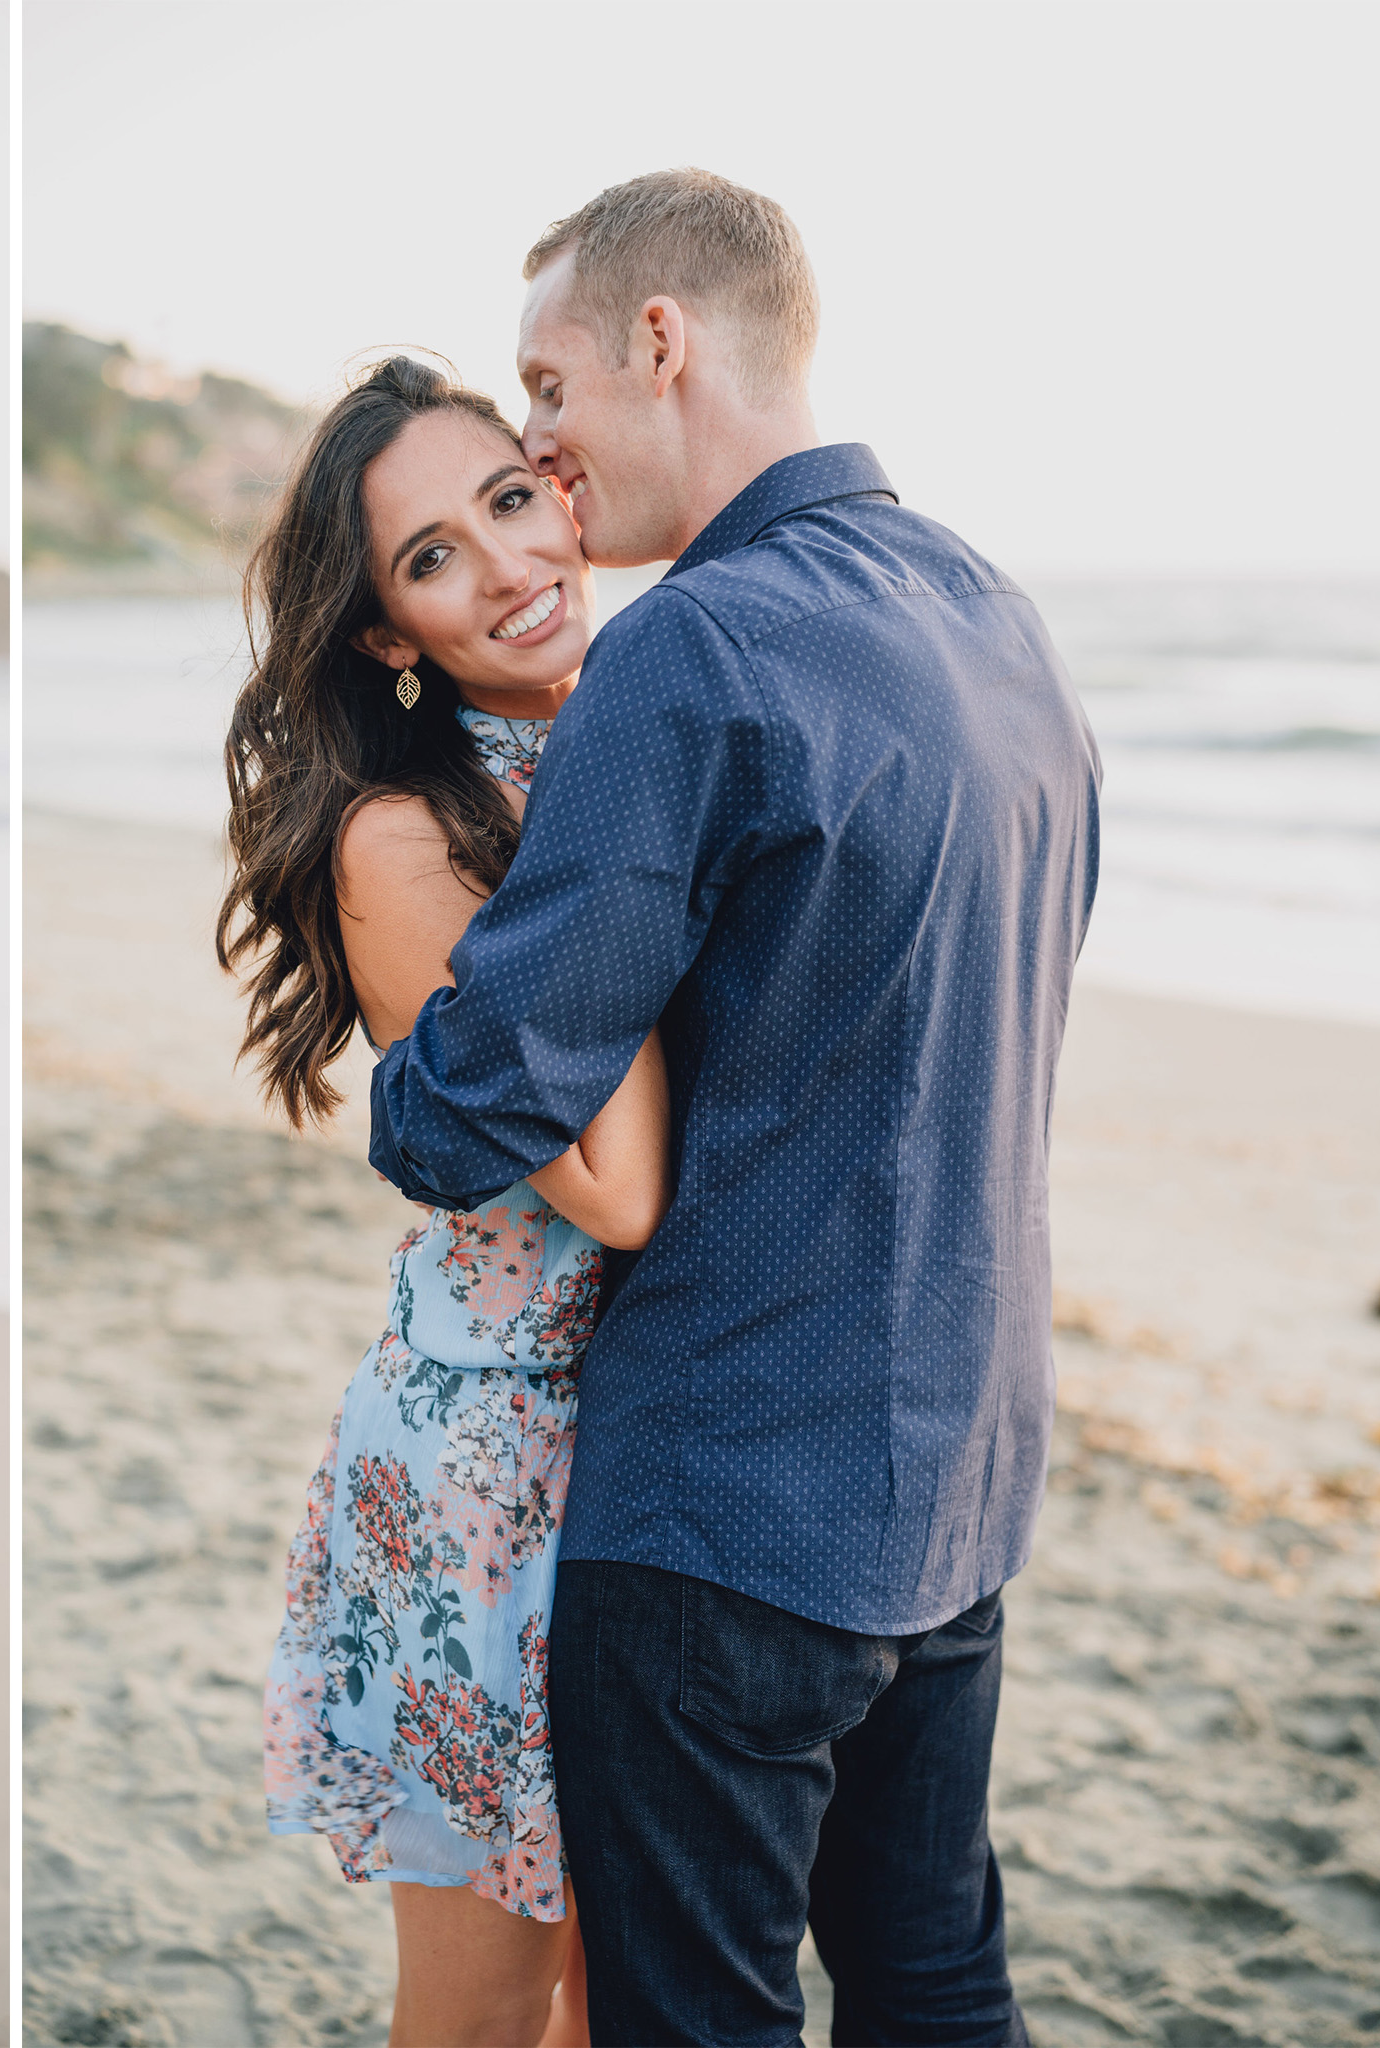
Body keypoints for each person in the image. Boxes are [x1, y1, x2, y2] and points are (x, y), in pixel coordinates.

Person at [370, 169, 1101, 2042]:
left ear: (660, 341)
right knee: (934, 1976)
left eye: (547, 383)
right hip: (958, 1461)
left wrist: (408, 1015)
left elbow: (472, 1110)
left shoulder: (691, 644)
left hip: (727, 1503)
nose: (537, 433)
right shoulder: (993, 610)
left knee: (694, 2017)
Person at [229, 356, 669, 2047]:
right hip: (487, 1463)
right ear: (387, 635)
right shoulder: (401, 842)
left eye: (506, 499)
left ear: (562, 488)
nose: (500, 566)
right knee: (481, 2021)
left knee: (611, 1999)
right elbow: (616, 1187)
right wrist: (621, 794)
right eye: (428, 558)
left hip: (648, 1446)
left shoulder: (645, 733)